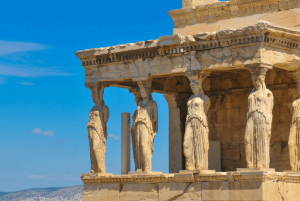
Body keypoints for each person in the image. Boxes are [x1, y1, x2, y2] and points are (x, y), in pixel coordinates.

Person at [245, 68, 273, 168]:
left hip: (262, 119)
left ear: (261, 79)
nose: (254, 81)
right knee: (247, 139)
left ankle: (261, 164)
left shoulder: (268, 93)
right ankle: (250, 164)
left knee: (261, 140)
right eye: (253, 79)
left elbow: (269, 110)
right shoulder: (251, 93)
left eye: (255, 79)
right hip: (251, 118)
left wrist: (268, 126)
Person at [184, 72, 210, 170]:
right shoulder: (190, 98)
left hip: (199, 122)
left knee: (199, 145)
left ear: (199, 86)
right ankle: (190, 165)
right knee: (186, 145)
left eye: (194, 86)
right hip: (190, 122)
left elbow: (205, 111)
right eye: (191, 86)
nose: (192, 88)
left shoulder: (205, 98)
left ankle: (200, 166)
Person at [131, 82, 158, 172]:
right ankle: (139, 167)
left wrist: (153, 130)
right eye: (141, 91)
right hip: (138, 126)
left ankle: (147, 167)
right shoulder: (140, 104)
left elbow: (155, 119)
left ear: (147, 91)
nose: (142, 93)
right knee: (138, 146)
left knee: (144, 145)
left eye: (144, 90)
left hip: (147, 126)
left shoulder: (153, 103)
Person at [87, 85, 109, 173]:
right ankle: (94, 168)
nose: (94, 98)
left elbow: (105, 121)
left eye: (96, 96)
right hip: (91, 129)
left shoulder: (104, 108)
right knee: (92, 149)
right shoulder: (93, 108)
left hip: (98, 130)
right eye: (93, 96)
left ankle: (101, 169)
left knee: (96, 147)